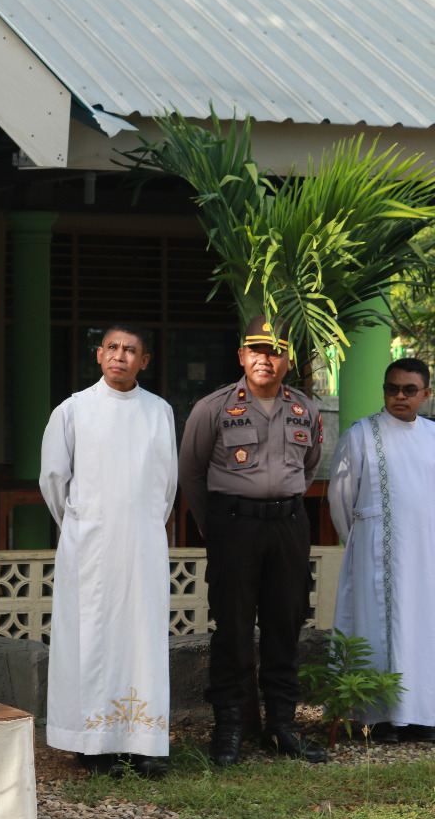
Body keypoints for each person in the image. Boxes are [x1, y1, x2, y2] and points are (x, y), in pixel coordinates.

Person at [179, 316, 327, 766]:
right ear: (242, 356)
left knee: (286, 624)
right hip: (234, 527)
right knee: (234, 629)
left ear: (287, 360)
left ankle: (282, 727)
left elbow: (310, 468)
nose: (266, 360)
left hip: (288, 526)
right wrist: (215, 528)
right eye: (257, 352)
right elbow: (191, 472)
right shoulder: (214, 407)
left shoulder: (305, 409)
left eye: (275, 352)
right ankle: (229, 729)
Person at [40, 324, 177, 778]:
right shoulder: (73, 410)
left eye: (131, 350)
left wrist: (139, 524)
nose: (120, 355)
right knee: (90, 638)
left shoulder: (160, 412)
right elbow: (53, 482)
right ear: (99, 355)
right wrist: (84, 524)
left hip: (142, 544)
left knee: (142, 637)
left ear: (145, 361)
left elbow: (166, 487)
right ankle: (92, 744)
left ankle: (143, 742)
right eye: (113, 348)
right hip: (90, 543)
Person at [328, 357, 435, 744]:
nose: (400, 396)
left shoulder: (432, 436)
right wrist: (363, 542)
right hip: (377, 549)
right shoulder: (361, 434)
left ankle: (423, 715)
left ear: (426, 393)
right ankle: (380, 717)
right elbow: (340, 499)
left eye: (409, 389)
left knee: (424, 629)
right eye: (392, 388)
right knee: (378, 628)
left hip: (426, 553)